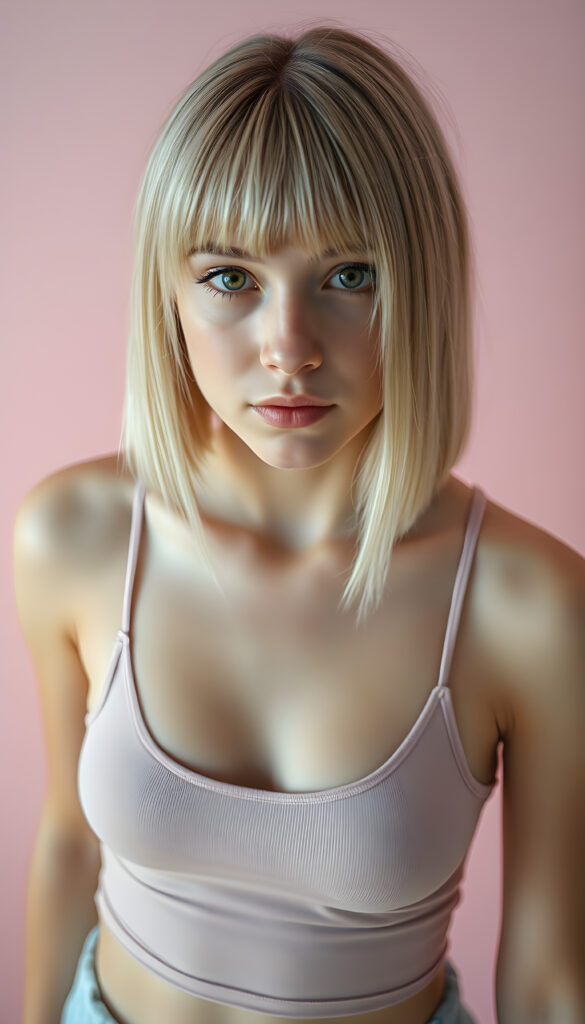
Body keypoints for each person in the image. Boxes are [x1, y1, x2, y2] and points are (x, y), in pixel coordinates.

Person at [14, 23, 584, 1024]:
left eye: (349, 276)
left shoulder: (530, 606)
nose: (290, 349)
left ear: (424, 286)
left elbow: (549, 978)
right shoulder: (71, 536)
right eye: (230, 277)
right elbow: (68, 840)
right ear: (169, 295)